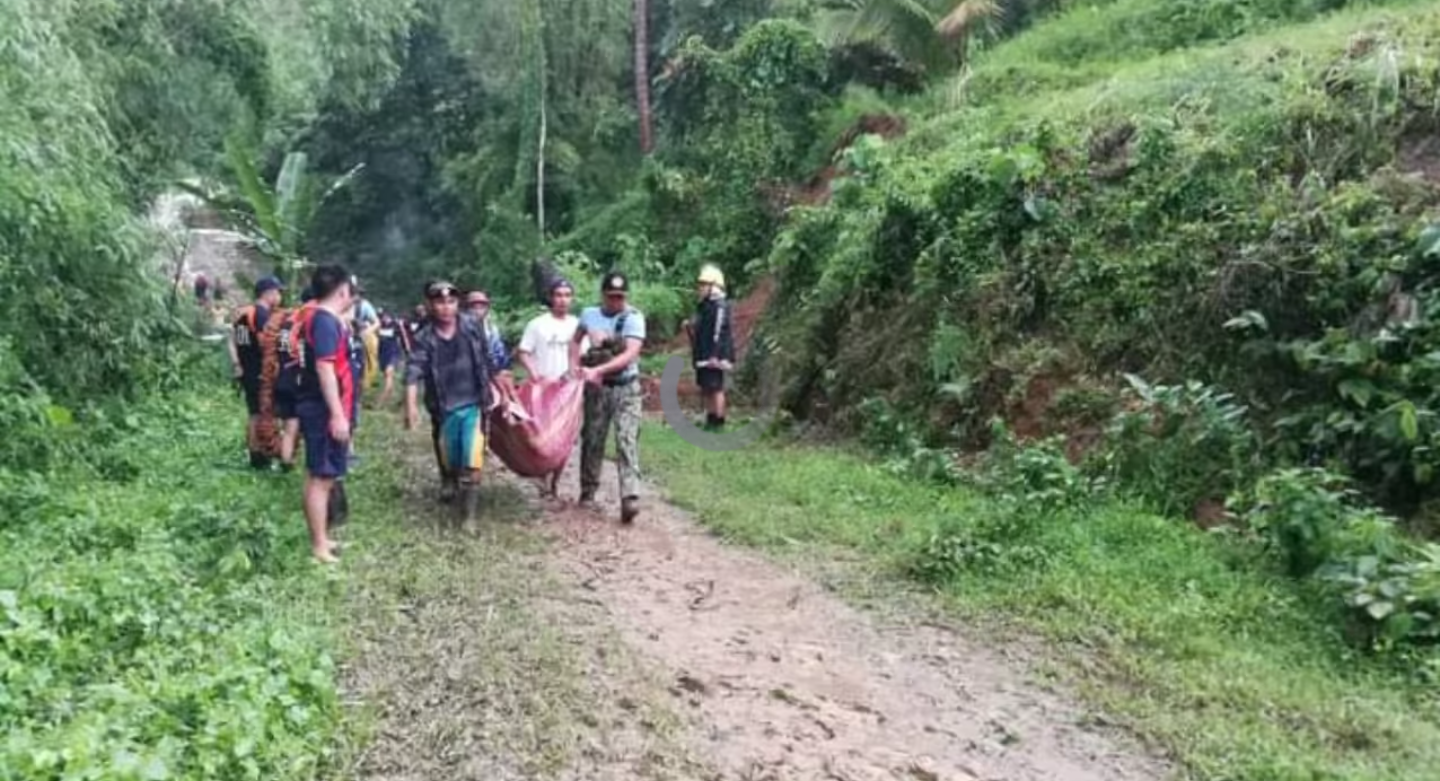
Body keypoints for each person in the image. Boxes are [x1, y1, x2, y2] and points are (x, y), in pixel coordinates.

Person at [404, 280, 511, 527]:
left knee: (473, 458)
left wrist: (504, 394)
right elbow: (413, 371)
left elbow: (487, 361)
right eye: (440, 302)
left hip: (473, 402)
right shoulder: (424, 337)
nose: (446, 307)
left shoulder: (472, 326)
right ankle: (448, 479)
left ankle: (469, 516)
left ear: (457, 303)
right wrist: (410, 408)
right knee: (452, 458)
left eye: (451, 302)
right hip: (443, 407)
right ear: (430, 305)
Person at [291, 265, 356, 564]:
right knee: (322, 478)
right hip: (322, 409)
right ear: (343, 290)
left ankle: (321, 537)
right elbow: (325, 368)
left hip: (318, 406)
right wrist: (337, 414)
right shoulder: (325, 322)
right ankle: (318, 545)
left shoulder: (318, 317)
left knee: (318, 475)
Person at [572, 272, 646, 523]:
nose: (616, 301)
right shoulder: (589, 314)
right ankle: (588, 491)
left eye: (621, 297)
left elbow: (630, 354)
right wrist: (575, 367)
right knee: (593, 437)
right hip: (597, 388)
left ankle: (630, 496)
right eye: (612, 296)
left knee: (627, 439)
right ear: (603, 295)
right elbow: (575, 340)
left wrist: (597, 370)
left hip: (626, 386)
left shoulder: (633, 318)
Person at [517, 277, 580, 497]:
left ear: (572, 299)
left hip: (569, 391)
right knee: (543, 438)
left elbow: (585, 355)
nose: (562, 300)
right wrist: (534, 372)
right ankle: (542, 474)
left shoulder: (577, 325)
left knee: (566, 438)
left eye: (567, 295)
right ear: (551, 298)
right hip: (543, 390)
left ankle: (555, 482)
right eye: (558, 295)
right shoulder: (537, 325)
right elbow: (523, 351)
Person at [229, 275, 285, 469]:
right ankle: (263, 454)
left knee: (253, 414)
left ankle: (254, 454)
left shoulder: (242, 314)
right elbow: (265, 343)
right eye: (278, 292)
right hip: (261, 372)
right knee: (265, 414)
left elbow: (233, 341)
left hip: (246, 370)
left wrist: (237, 364)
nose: (280, 296)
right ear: (268, 293)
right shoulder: (261, 314)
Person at [687, 263, 736, 431]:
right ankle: (710, 418)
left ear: (714, 286)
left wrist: (714, 355)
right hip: (704, 352)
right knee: (706, 386)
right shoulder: (705, 306)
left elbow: (717, 331)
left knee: (716, 388)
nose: (700, 288)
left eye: (704, 285)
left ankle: (719, 421)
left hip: (715, 354)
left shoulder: (719, 306)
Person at [376, 307, 406, 407]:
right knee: (388, 378)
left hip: (393, 354)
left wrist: (407, 349)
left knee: (389, 376)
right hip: (382, 355)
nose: (383, 318)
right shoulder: (379, 326)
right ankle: (395, 399)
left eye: (385, 316)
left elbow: (404, 337)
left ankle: (380, 403)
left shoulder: (395, 325)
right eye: (382, 317)